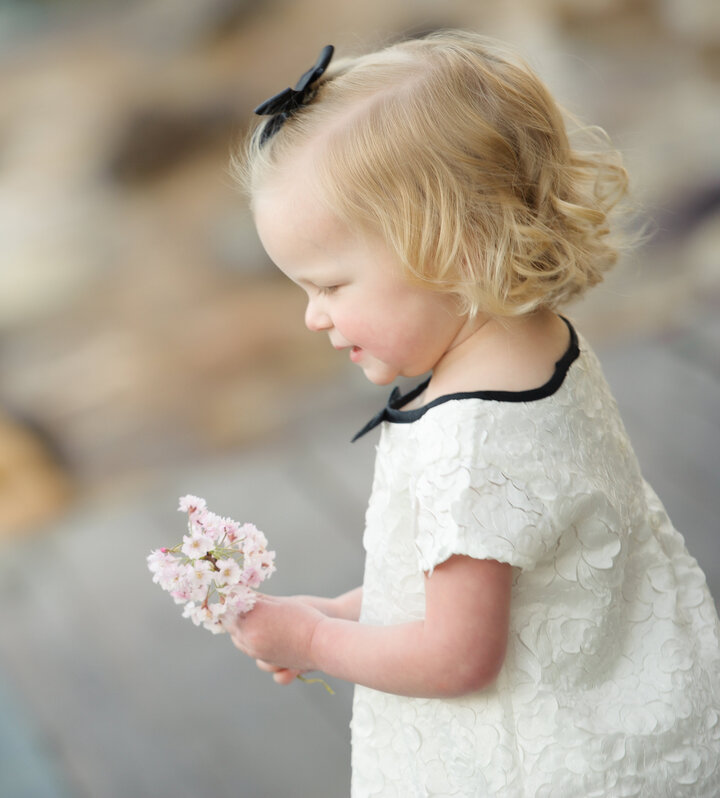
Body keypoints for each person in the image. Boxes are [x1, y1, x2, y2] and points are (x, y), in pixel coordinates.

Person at [225, 29, 720, 796]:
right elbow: (511, 570)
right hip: (616, 690)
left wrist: (317, 638)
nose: (311, 318)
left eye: (329, 285)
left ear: (449, 251)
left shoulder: (471, 440)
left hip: (528, 763)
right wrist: (352, 610)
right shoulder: (538, 340)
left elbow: (456, 655)